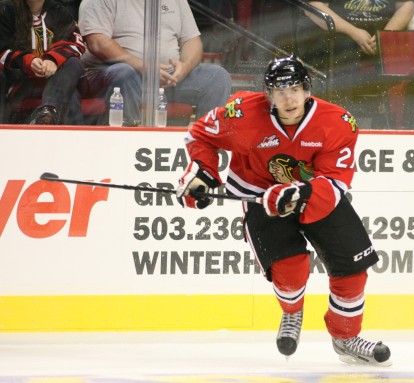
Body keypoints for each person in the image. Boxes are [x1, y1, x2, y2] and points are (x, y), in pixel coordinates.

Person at [176, 55, 391, 365]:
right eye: (280, 91)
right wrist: (203, 174)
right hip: (261, 196)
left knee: (353, 267)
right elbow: (200, 135)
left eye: (294, 89)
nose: (288, 98)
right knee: (290, 268)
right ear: (268, 95)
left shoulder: (337, 122)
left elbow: (335, 181)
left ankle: (346, 338)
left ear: (307, 90)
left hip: (318, 195)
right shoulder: (241, 113)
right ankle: (292, 313)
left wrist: (299, 193)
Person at [78, 0, 232, 126]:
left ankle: (208, 144)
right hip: (115, 76)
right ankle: (125, 142)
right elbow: (97, 42)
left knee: (217, 77)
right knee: (125, 73)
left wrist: (184, 66)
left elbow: (191, 40)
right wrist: (143, 67)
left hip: (168, 78)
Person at [296, 0, 414, 107]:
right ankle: (341, 110)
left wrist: (384, 36)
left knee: (402, 49)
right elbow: (313, 7)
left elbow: (406, 5)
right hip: (336, 35)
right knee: (344, 45)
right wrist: (354, 32)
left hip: (381, 34)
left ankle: (384, 114)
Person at [0, 0, 85, 124]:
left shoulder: (58, 10)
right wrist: (29, 61)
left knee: (73, 63)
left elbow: (76, 43)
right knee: (71, 95)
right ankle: (71, 137)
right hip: (21, 83)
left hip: (56, 80)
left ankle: (47, 112)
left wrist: (53, 59)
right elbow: (2, 50)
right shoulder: (6, 10)